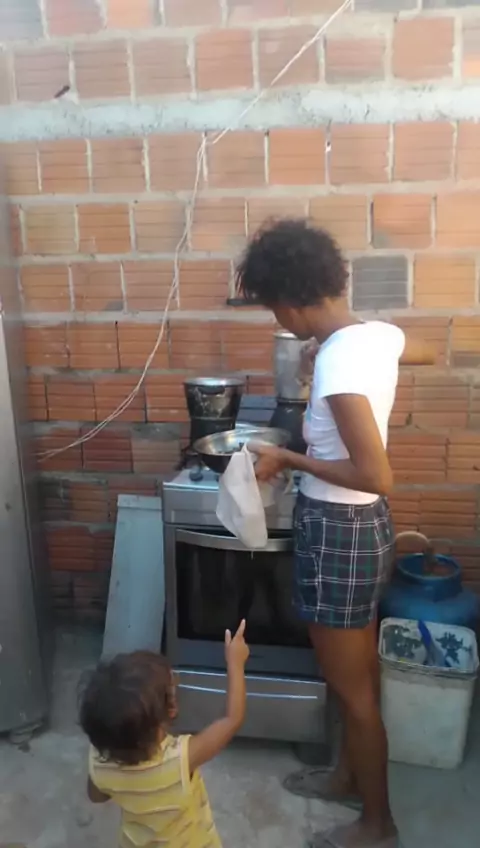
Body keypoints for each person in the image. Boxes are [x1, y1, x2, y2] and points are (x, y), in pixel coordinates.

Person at [236, 220, 435, 848]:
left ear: (290, 300)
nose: (276, 317)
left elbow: (376, 475)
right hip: (363, 529)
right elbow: (425, 350)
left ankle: (377, 825)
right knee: (353, 679)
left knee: (354, 693)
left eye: (272, 306)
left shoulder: (341, 361)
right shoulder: (371, 336)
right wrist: (332, 356)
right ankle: (346, 776)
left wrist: (288, 459)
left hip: (340, 530)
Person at [79, 621, 249, 848]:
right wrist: (236, 662)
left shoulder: (99, 763)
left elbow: (96, 796)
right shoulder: (179, 761)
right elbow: (232, 719)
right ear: (170, 711)